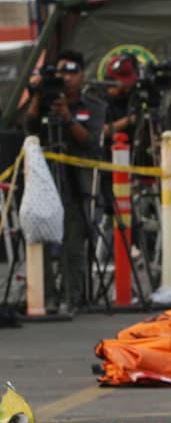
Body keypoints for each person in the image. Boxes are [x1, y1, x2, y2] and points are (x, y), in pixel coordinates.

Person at [23, 50, 104, 313]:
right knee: (41, 239)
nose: (67, 78)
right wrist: (37, 96)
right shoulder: (44, 100)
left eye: (72, 72)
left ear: (82, 75)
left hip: (75, 182)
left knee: (73, 242)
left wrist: (67, 117)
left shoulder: (92, 105)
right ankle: (46, 296)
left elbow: (90, 142)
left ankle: (73, 297)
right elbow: (29, 127)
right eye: (62, 73)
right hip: (44, 182)